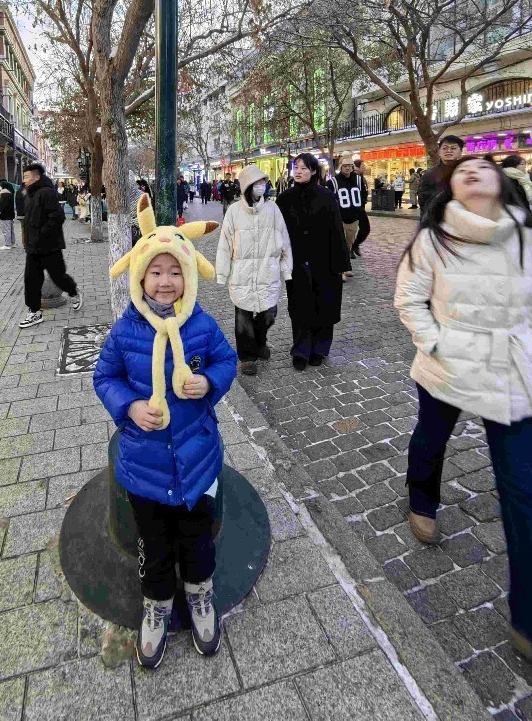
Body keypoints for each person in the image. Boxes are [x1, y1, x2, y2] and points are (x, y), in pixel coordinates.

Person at [394, 156, 532, 684]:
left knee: (522, 494)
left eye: (482, 166)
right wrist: (438, 342)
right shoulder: (434, 238)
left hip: (510, 371)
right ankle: (422, 497)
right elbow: (408, 298)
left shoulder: (528, 239)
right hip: (449, 363)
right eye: (461, 168)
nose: (472, 170)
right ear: (451, 187)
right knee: (431, 438)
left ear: (500, 181)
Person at [93, 193, 237, 668]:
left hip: (197, 460)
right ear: (139, 277)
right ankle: (156, 605)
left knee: (197, 539)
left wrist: (210, 382)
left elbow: (226, 360)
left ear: (189, 276)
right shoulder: (125, 331)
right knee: (153, 545)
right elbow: (104, 377)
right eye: (156, 272)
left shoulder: (201, 325)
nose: (166, 281)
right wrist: (129, 407)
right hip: (145, 465)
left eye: (176, 272)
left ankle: (200, 596)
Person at [215, 165, 292, 376]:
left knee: (270, 313)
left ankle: (259, 342)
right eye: (257, 183)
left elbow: (284, 240)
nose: (261, 186)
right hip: (242, 273)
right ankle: (247, 357)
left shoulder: (273, 210)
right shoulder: (233, 212)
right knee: (243, 317)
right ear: (247, 186)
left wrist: (286, 269)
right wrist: (222, 272)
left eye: (263, 182)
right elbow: (225, 244)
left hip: (268, 271)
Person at [277, 153, 350, 369]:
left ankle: (320, 348)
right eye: (295, 167)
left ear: (314, 171)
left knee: (324, 306)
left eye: (303, 168)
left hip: (325, 262)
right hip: (297, 263)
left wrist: (341, 265)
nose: (298, 171)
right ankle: (300, 350)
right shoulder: (284, 199)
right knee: (299, 307)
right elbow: (277, 232)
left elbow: (337, 232)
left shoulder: (327, 197)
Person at [20, 162, 83, 328]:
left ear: (37, 177)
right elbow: (28, 220)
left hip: (49, 247)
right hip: (33, 248)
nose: (24, 180)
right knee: (31, 280)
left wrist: (42, 234)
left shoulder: (47, 193)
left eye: (27, 177)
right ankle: (34, 312)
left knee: (58, 277)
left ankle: (73, 292)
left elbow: (57, 217)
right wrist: (26, 239)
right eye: (23, 177)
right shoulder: (29, 194)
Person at [335, 157, 368, 275]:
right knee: (341, 242)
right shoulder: (334, 181)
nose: (348, 168)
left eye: (350, 165)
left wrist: (359, 209)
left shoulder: (358, 180)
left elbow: (364, 195)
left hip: (353, 217)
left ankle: (346, 265)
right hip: (340, 217)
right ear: (341, 167)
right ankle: (342, 270)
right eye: (345, 166)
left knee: (349, 243)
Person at [418, 135, 464, 217]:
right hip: (437, 221)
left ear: (460, 152)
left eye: (453, 148)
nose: (448, 151)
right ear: (439, 152)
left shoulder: (466, 173)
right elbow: (424, 202)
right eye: (445, 148)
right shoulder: (429, 174)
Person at [351, 159, 371, 257]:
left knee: (365, 229)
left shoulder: (361, 177)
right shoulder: (353, 178)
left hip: (361, 207)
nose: (365, 168)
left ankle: (355, 244)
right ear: (356, 167)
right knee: (351, 229)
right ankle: (350, 248)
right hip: (354, 208)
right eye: (363, 166)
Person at [0, 180, 16, 249]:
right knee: (11, 230)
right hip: (10, 215)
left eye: (0, 186)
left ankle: (7, 244)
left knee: (6, 230)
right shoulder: (10, 194)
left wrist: (0, 212)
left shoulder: (4, 195)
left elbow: (2, 206)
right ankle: (12, 243)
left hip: (5, 216)